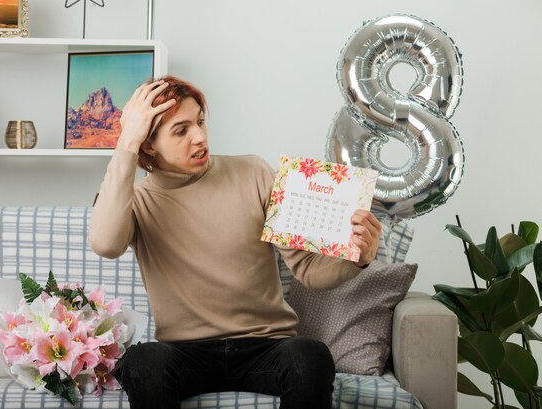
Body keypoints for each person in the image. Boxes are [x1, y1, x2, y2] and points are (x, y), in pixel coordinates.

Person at [89, 75, 382, 409]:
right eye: (181, 130)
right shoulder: (136, 200)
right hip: (185, 352)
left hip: (266, 347)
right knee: (143, 361)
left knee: (309, 354)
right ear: (149, 144)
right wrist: (127, 141)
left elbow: (308, 269)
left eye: (199, 122)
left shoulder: (255, 172)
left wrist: (358, 257)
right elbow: (105, 244)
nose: (199, 137)